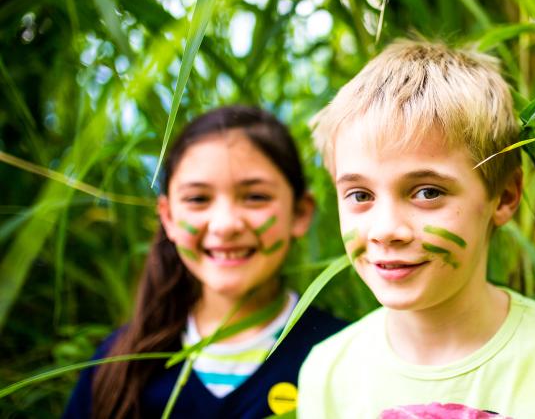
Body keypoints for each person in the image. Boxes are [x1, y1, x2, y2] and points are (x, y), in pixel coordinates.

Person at [297, 40, 535, 418]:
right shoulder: (328, 372)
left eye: (428, 192)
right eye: (360, 194)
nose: (386, 230)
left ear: (504, 197)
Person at [64, 106, 346, 419]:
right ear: (168, 217)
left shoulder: (345, 354)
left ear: (300, 213)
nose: (224, 224)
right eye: (198, 199)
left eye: (255, 197)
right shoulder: (115, 365)